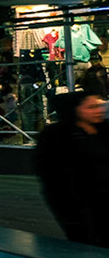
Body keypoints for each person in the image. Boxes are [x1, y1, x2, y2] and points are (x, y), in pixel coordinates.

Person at [35, 93, 109, 246]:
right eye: (91, 107)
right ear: (75, 110)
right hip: (76, 201)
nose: (98, 111)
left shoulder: (104, 130)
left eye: (99, 106)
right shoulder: (56, 136)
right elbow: (50, 171)